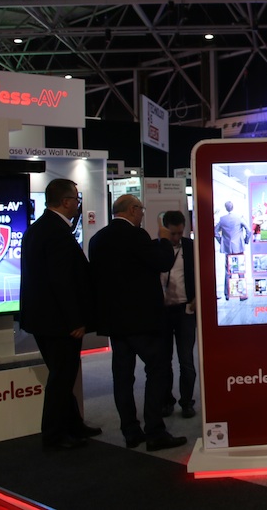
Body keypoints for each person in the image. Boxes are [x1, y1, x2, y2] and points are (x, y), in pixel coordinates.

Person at [89, 194, 187, 452]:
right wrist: (163, 240)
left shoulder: (97, 239)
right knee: (158, 369)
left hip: (114, 322)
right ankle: (155, 431)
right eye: (141, 209)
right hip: (142, 320)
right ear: (132, 210)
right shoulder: (136, 236)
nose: (142, 214)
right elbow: (163, 262)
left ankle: (130, 431)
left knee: (122, 377)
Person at [19, 178, 100, 450]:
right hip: (59, 322)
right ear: (66, 202)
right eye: (76, 199)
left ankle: (73, 424)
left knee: (63, 374)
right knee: (61, 378)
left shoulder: (39, 228)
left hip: (43, 319)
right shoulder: (56, 232)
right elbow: (61, 281)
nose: (78, 204)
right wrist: (75, 320)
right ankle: (53, 435)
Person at [158, 210, 197, 420]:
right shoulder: (155, 248)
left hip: (185, 310)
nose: (176, 237)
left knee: (186, 360)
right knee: (163, 361)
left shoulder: (191, 247)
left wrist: (197, 297)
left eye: (180, 233)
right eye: (172, 233)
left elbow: (200, 275)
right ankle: (166, 401)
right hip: (162, 312)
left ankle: (187, 402)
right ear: (164, 229)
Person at [215, 200, 250, 300]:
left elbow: (215, 232)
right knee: (241, 271)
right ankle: (242, 294)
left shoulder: (222, 219)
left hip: (228, 248)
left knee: (228, 271)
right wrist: (246, 240)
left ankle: (227, 294)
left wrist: (221, 241)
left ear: (225, 208)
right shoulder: (239, 217)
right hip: (238, 247)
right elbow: (249, 230)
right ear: (233, 207)